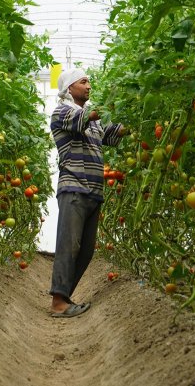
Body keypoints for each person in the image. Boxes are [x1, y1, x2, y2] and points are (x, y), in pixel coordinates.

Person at [48, 68, 125, 318]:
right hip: (74, 187)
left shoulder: (95, 120)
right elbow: (85, 118)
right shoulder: (63, 111)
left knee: (86, 250)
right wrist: (113, 98)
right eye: (84, 82)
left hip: (94, 190)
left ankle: (64, 296)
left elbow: (113, 135)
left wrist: (136, 109)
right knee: (69, 244)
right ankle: (58, 302)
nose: (89, 86)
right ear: (70, 87)